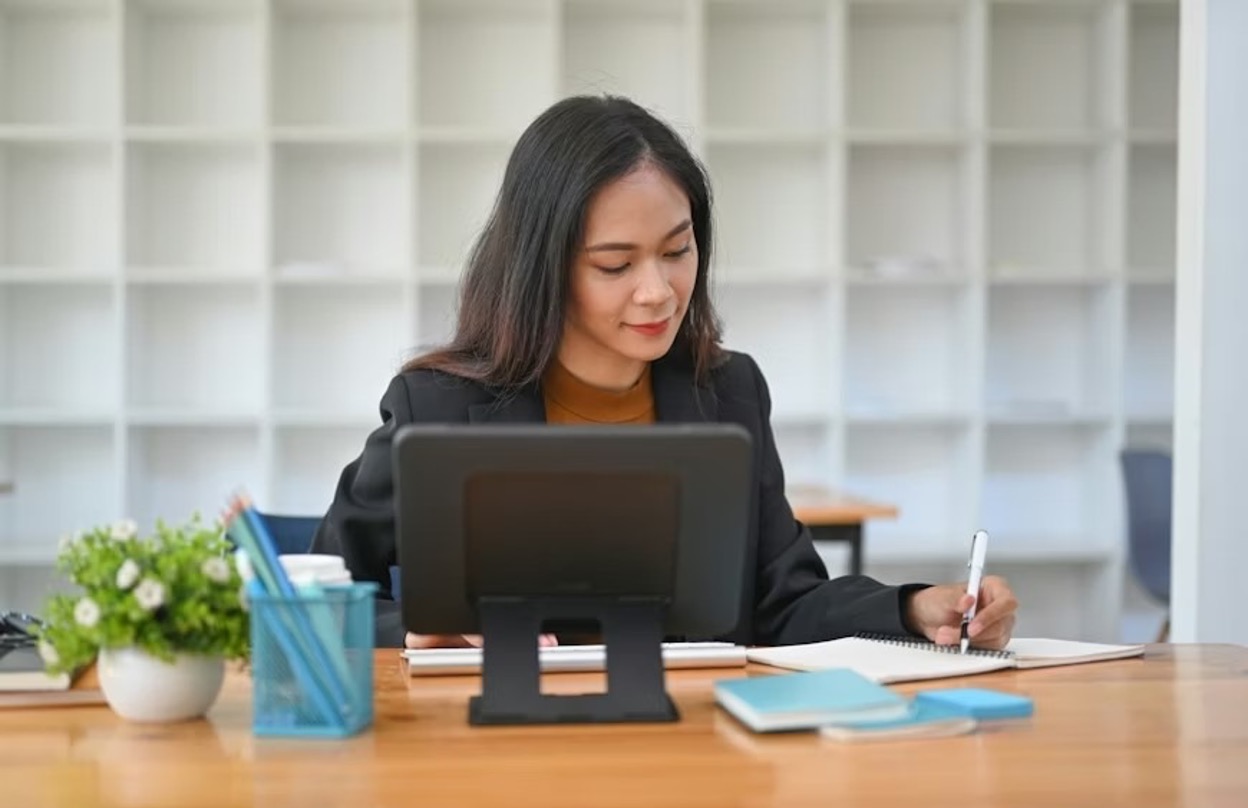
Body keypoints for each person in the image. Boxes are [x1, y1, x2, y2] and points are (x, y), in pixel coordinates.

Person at [311, 95, 1018, 651]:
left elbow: (785, 603)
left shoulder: (729, 392)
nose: (658, 291)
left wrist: (912, 608)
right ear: (543, 268)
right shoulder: (437, 404)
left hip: (694, 743)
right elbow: (316, 601)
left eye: (677, 251)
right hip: (499, 751)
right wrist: (409, 630)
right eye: (615, 265)